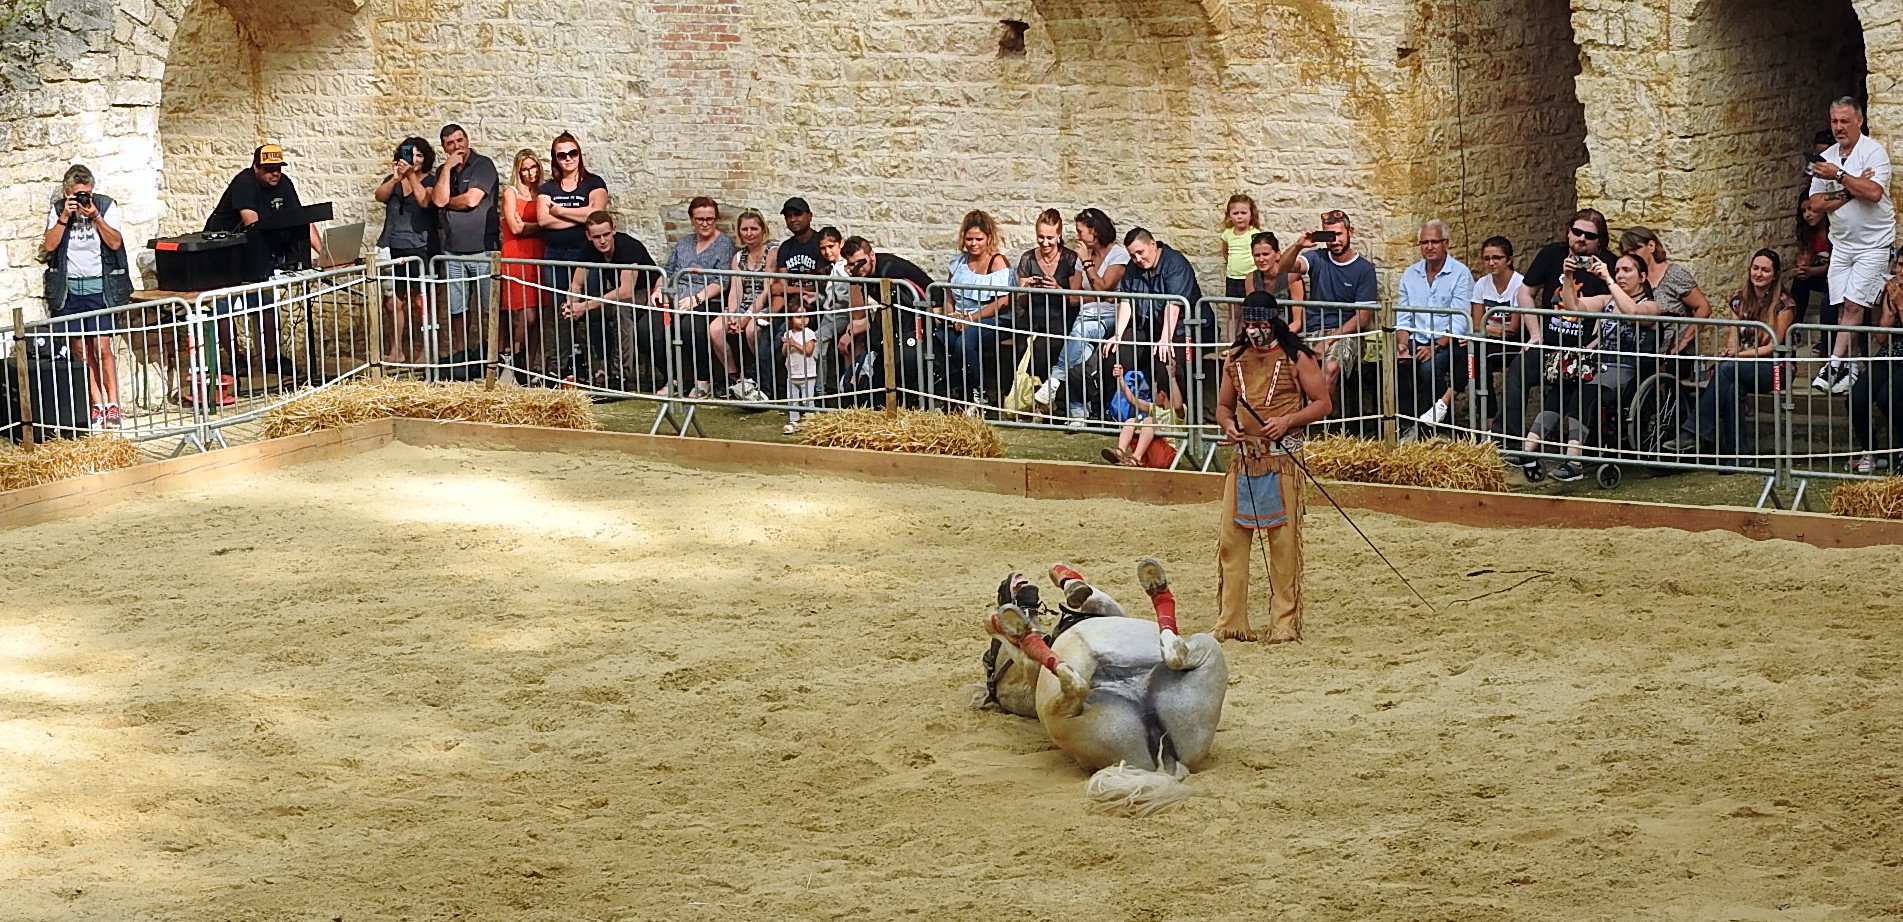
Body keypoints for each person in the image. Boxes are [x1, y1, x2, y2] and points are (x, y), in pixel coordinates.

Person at [1211, 295, 1332, 644]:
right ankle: (1231, 621)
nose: (1254, 330)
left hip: (1282, 461)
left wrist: (1289, 420)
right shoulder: (1235, 359)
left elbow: (1323, 403)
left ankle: (1284, 622)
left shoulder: (1298, 357)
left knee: (1282, 546)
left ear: (1272, 321)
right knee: (1232, 543)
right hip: (1245, 459)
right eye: (1248, 323)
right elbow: (1222, 405)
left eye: (1259, 323)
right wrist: (1228, 425)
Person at [1664, 249, 1797, 458]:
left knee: (1727, 368)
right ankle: (1737, 455)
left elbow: (1774, 345)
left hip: (1777, 369)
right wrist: (1730, 350)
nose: (1758, 274)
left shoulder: (1784, 304)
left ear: (1775, 275)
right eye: (1755, 268)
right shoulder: (1739, 299)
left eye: (1765, 270)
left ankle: (1693, 432)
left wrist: (1737, 356)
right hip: (1743, 366)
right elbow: (1733, 335)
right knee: (1732, 387)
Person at [203, 143, 323, 377]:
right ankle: (235, 357)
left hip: (256, 251)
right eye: (269, 169)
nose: (275, 173)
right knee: (225, 306)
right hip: (226, 252)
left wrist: (325, 253)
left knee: (266, 303)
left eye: (278, 167)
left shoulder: (284, 183)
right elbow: (252, 223)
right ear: (255, 167)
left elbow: (303, 220)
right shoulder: (244, 183)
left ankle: (271, 358)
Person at [1495, 209, 1616, 438]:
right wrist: (1535, 334)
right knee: (1518, 371)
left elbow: (1613, 307)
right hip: (1550, 344)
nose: (1581, 239)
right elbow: (1526, 291)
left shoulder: (1608, 263)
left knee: (1576, 388)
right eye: (1577, 232)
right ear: (1568, 232)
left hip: (1584, 350)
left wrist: (1596, 343)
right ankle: (1508, 439)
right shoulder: (1552, 254)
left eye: (1590, 236)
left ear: (1600, 240)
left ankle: (1576, 445)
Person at [1808, 97, 1894, 396]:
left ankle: (1833, 363)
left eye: (1845, 121)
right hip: (1842, 243)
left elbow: (1872, 192)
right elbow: (1814, 204)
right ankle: (1854, 368)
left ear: (1859, 120)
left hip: (1873, 242)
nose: (1839, 127)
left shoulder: (1873, 152)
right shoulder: (1827, 157)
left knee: (1855, 305)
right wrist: (1848, 188)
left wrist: (1840, 176)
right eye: (1834, 121)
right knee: (1845, 306)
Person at [41, 164, 131, 429]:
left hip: (100, 288)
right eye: (77, 195)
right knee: (80, 349)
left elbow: (115, 243)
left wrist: (96, 217)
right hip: (69, 290)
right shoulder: (59, 210)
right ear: (68, 192)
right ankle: (96, 403)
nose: (82, 200)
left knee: (102, 348)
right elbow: (49, 246)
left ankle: (113, 404)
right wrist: (64, 218)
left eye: (86, 194)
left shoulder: (104, 206)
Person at [1033, 207, 1128, 429]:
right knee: (1081, 348)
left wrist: (1087, 265)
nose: (1077, 236)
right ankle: (1078, 412)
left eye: (1080, 231)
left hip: (1113, 317)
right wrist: (1071, 290)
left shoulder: (1118, 255)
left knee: (1082, 331)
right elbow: (1075, 298)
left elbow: (1104, 290)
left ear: (1095, 231)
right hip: (1087, 316)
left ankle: (1055, 380)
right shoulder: (1081, 256)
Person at [1275, 209, 1377, 381]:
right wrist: (1299, 245)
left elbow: (1362, 318)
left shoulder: (1364, 269)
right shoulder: (1317, 257)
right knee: (1288, 368)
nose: (1335, 241)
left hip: (1344, 333)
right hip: (1313, 329)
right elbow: (1284, 268)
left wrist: (1328, 340)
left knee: (1330, 368)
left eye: (1339, 234)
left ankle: (1320, 408)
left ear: (1350, 232)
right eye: (1330, 236)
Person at [558, 211, 654, 389]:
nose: (602, 241)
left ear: (614, 230)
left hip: (646, 292)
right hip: (618, 293)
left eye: (606, 235)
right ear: (588, 236)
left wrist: (584, 306)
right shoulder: (588, 248)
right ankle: (560, 369)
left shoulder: (628, 247)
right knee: (565, 309)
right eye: (596, 237)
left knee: (621, 308)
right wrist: (572, 304)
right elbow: (576, 285)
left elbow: (626, 291)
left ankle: (620, 376)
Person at [429, 123, 498, 369]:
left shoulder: (483, 165)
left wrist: (446, 201)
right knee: (457, 306)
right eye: (451, 143)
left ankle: (493, 354)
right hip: (452, 250)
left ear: (467, 140)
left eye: (460, 140)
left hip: (482, 249)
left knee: (489, 304)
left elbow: (471, 200)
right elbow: (437, 199)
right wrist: (447, 169)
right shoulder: (443, 170)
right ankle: (462, 354)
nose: (457, 146)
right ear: (444, 148)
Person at [653, 196, 735, 399]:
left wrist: (696, 299)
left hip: (708, 300)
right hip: (676, 299)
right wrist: (658, 290)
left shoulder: (724, 244)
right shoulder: (683, 243)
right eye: (700, 219)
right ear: (691, 220)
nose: (705, 223)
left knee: (691, 328)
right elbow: (668, 272)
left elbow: (722, 281)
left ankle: (703, 380)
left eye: (710, 219)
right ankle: (675, 378)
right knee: (649, 329)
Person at [1395, 219, 1474, 425]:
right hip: (1417, 338)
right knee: (1394, 364)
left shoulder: (1460, 273)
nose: (1429, 247)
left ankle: (1430, 422)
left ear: (1446, 244)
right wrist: (1402, 345)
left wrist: (1435, 347)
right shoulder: (1410, 274)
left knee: (1428, 368)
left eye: (1435, 242)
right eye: (1424, 242)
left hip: (1449, 341)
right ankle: (1405, 422)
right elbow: (1403, 317)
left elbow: (1459, 320)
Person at [1113, 227, 1200, 403]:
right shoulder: (1132, 267)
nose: (1137, 259)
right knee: (1115, 352)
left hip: (1184, 330)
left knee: (1166, 360)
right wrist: (1117, 335)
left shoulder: (1175, 264)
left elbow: (1174, 304)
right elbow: (1126, 301)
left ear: (1153, 244)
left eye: (1140, 252)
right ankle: (1108, 411)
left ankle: (1175, 416)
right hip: (1149, 326)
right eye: (1132, 255)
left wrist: (1165, 339)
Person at [939, 209, 1015, 408]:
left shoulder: (997, 262)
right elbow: (949, 294)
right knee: (941, 338)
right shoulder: (958, 263)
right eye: (969, 239)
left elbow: (1003, 301)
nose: (973, 244)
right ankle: (956, 389)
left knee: (965, 342)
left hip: (993, 318)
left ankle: (979, 392)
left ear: (988, 238)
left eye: (979, 239)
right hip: (962, 319)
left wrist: (971, 318)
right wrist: (951, 315)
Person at [374, 137, 436, 365]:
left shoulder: (431, 180)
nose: (415, 160)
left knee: (422, 301)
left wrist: (410, 176)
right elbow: (380, 196)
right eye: (411, 155)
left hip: (420, 247)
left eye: (420, 155)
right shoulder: (394, 180)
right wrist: (396, 178)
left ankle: (426, 351)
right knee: (392, 302)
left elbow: (425, 201)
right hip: (391, 245)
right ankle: (397, 350)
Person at [711, 209, 777, 401]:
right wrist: (732, 315)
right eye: (745, 229)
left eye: (754, 229)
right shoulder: (738, 257)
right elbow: (736, 289)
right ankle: (735, 378)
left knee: (751, 331)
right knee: (715, 329)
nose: (749, 233)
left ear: (763, 229)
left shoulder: (772, 252)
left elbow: (767, 291)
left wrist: (747, 315)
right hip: (742, 305)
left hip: (764, 305)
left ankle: (762, 378)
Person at [1619, 226, 1712, 360]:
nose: (1631, 255)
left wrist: (1684, 340)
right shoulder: (1631, 278)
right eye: (1627, 252)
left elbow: (1703, 308)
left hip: (1671, 354)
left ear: (1651, 245)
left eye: (1636, 249)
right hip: (1639, 351)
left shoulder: (1674, 274)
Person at [1847, 257, 1903, 473]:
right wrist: (1889, 308)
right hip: (1891, 351)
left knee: (1888, 397)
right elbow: (1881, 338)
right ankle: (1870, 451)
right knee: (1857, 397)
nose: (1898, 270)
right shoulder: (1892, 291)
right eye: (1897, 265)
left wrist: (1900, 304)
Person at [1014, 208, 1082, 374]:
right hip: (1032, 315)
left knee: (1041, 347)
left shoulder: (1070, 258)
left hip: (1060, 317)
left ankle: (1038, 391)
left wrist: (1058, 289)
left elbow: (1075, 300)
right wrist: (1025, 289)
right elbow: (1021, 301)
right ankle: (1017, 391)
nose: (1045, 242)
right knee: (1020, 345)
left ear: (1059, 236)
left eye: (1050, 238)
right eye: (1041, 237)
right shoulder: (1028, 258)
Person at [498, 149, 546, 375]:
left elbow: (547, 222)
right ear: (518, 170)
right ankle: (514, 355)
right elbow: (515, 228)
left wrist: (532, 227)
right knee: (525, 313)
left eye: (533, 167)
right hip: (517, 253)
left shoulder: (544, 192)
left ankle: (529, 365)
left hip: (540, 254)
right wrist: (542, 225)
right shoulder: (511, 192)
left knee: (539, 313)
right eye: (525, 168)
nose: (530, 172)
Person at [1470, 236, 1524, 432]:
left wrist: (1486, 326)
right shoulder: (1481, 284)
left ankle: (1498, 420)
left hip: (1514, 344)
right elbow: (1476, 325)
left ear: (1508, 260)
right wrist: (1488, 328)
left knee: (1480, 358)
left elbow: (1513, 329)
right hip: (1489, 342)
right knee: (1471, 361)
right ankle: (1488, 415)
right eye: (1486, 258)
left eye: (1497, 258)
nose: (1491, 263)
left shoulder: (1519, 284)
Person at [1791, 130, 1836, 347]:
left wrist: (1812, 271)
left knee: (1830, 290)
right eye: (1804, 211)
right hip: (1821, 271)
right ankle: (1794, 330)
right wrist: (1803, 267)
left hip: (1834, 272)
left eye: (1811, 209)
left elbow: (1834, 264)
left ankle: (1826, 342)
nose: (1808, 214)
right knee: (1799, 282)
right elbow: (1807, 255)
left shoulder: (1834, 228)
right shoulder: (1808, 231)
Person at [1101, 359, 1181, 468]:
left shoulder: (1178, 412)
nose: (1153, 395)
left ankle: (1136, 458)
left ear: (1162, 395)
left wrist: (1172, 378)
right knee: (1131, 421)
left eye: (1155, 392)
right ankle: (1120, 452)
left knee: (1148, 420)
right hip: (1148, 455)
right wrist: (1120, 379)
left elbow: (1178, 406)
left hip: (1166, 456)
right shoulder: (1153, 407)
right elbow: (1133, 400)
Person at [1236, 231, 1304, 339]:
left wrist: (1277, 338)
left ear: (1277, 255)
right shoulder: (1251, 279)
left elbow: (1298, 322)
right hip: (1260, 335)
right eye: (1257, 255)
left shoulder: (1292, 278)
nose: (1261, 259)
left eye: (1266, 254)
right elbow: (1252, 315)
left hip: (1288, 334)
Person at [1218, 193, 1263, 300]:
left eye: (1243, 213)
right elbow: (1225, 252)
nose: (1239, 216)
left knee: (1250, 308)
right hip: (1232, 277)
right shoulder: (1227, 233)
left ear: (1251, 214)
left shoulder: (1255, 234)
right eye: (1235, 213)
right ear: (1229, 216)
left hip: (1251, 277)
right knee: (1234, 312)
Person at [781, 311, 818, 434]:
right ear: (791, 318)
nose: (803, 320)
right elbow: (784, 353)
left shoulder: (809, 333)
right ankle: (794, 420)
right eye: (798, 317)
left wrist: (794, 343)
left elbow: (808, 351)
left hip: (807, 373)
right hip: (792, 373)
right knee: (792, 399)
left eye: (806, 316)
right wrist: (787, 344)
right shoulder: (788, 334)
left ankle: (810, 421)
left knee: (808, 399)